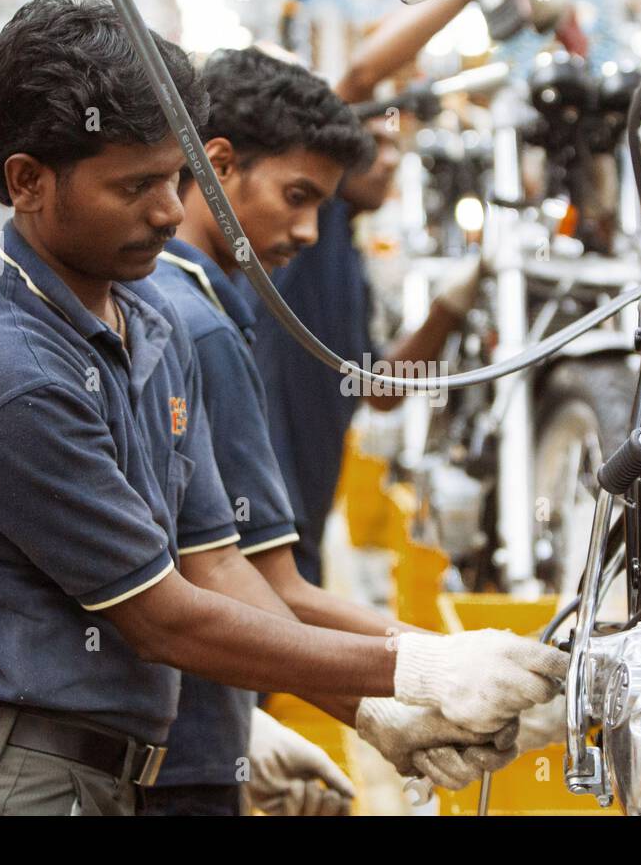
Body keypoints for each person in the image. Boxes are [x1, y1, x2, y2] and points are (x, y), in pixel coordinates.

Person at [0, 0, 566, 817]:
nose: (173, 211)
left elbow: (216, 563)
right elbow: (162, 618)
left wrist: (376, 711)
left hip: (127, 771)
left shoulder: (149, 322)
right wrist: (423, 671)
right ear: (27, 182)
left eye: (177, 177)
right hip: (19, 786)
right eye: (136, 185)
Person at [145, 47, 523, 815]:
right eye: (296, 196)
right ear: (216, 166)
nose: (311, 229)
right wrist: (427, 666)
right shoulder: (199, 326)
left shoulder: (183, 305)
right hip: (190, 741)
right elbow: (254, 586)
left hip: (206, 718)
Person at [239, 0, 480, 588]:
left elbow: (381, 390)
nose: (390, 159)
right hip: (267, 523)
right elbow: (362, 77)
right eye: (375, 142)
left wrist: (450, 307)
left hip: (305, 521)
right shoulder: (304, 239)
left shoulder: (343, 252)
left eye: (399, 145)